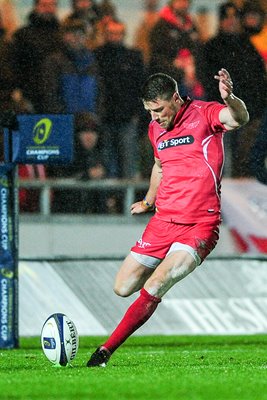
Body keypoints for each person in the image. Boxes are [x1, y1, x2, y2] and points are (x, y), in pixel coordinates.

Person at [86, 68, 249, 367]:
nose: (155, 117)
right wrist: (149, 200)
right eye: (149, 111)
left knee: (158, 283)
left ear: (175, 98)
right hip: (163, 222)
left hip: (200, 225)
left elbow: (238, 118)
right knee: (122, 287)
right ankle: (161, 274)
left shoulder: (206, 114)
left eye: (158, 110)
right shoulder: (155, 128)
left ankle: (105, 351)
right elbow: (159, 166)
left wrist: (232, 99)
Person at [9, 0, 62, 113]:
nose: (48, 9)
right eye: (44, 5)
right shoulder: (22, 35)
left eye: (52, 5)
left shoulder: (63, 35)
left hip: (58, 98)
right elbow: (14, 66)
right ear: (35, 7)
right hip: (31, 97)